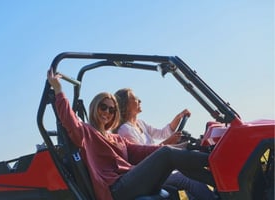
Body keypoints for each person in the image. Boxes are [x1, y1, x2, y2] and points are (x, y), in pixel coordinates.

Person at [47, 69, 215, 200]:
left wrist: (185, 146)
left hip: (129, 180)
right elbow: (69, 120)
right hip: (116, 189)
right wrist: (58, 90)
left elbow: (143, 152)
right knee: (167, 155)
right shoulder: (86, 132)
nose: (107, 112)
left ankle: (220, 182)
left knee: (171, 158)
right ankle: (218, 158)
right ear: (94, 108)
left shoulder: (117, 138)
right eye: (103, 107)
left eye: (112, 110)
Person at [115, 88, 216, 200]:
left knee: (189, 170)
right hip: (150, 173)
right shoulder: (125, 130)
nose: (139, 101)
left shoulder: (140, 123)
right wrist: (170, 142)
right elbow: (145, 158)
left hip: (159, 167)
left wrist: (179, 117)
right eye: (135, 99)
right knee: (189, 180)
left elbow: (162, 133)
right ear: (126, 105)